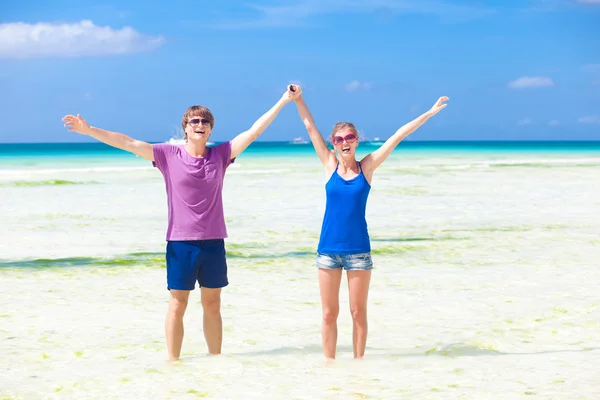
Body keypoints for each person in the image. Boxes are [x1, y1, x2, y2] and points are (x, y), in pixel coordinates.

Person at [62, 84, 303, 361]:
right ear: (186, 128)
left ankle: (216, 362)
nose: (200, 124)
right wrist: (89, 130)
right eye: (194, 121)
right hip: (180, 242)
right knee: (178, 304)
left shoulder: (221, 155)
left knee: (213, 305)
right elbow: (128, 142)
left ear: (210, 129)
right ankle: (173, 364)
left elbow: (253, 132)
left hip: (213, 242)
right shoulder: (168, 155)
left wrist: (285, 100)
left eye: (205, 121)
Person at [294, 93, 449, 359]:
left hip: (358, 252)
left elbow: (398, 135)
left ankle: (358, 366)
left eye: (350, 138)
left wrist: (430, 112)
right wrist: (296, 99)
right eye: (339, 139)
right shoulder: (329, 165)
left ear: (356, 141)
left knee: (357, 312)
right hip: (328, 251)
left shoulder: (366, 167)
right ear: (333, 144)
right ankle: (329, 368)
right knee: (329, 314)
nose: (345, 142)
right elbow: (310, 127)